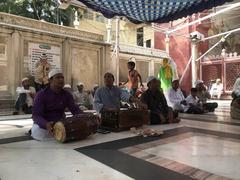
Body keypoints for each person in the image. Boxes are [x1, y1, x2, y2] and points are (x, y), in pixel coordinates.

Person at [31, 69, 83, 141]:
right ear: (50, 80)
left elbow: (75, 110)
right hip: (45, 126)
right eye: (58, 77)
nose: (61, 80)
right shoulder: (41, 95)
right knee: (39, 133)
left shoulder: (67, 95)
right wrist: (46, 124)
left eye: (62, 77)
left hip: (60, 124)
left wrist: (85, 116)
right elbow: (36, 115)